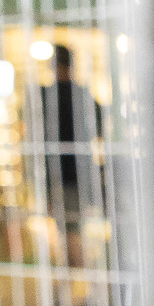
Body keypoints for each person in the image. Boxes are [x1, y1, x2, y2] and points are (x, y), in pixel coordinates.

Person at [36, 43, 102, 276]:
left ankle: (83, 282)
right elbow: (100, 129)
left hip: (56, 174)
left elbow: (36, 138)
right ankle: (75, 282)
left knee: (68, 231)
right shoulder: (83, 95)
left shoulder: (45, 96)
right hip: (81, 172)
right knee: (71, 230)